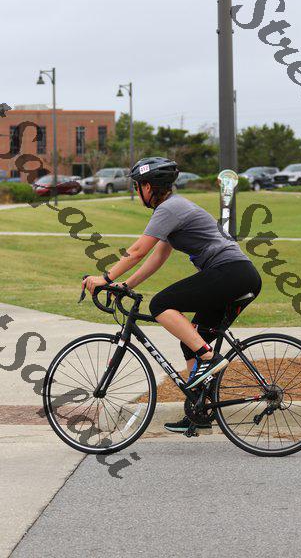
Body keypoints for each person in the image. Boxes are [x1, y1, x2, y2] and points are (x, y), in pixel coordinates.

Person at [83, 157, 262, 433]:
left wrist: (105, 279)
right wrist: (125, 285)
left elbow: (138, 251)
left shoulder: (168, 209)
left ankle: (209, 358)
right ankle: (199, 412)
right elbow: (157, 257)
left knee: (160, 304)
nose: (137, 191)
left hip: (231, 273)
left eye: (137, 186)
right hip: (236, 275)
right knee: (191, 341)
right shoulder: (174, 208)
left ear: (148, 187)